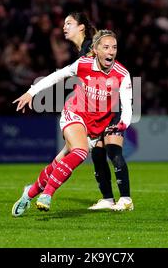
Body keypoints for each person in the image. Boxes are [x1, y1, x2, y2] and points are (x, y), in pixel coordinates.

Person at [11, 30, 132, 216]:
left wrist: (123, 123)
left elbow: (128, 104)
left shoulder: (122, 74)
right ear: (96, 49)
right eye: (106, 47)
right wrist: (31, 92)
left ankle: (29, 193)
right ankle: (47, 195)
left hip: (96, 126)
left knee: (58, 164)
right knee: (81, 151)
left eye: (114, 47)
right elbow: (57, 76)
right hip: (74, 114)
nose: (111, 52)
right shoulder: (83, 64)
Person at [60, 12, 134, 211]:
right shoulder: (81, 51)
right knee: (98, 154)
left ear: (81, 27)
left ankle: (126, 199)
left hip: (110, 108)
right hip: (96, 111)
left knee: (113, 150)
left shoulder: (89, 48)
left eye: (69, 23)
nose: (64, 27)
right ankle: (108, 199)